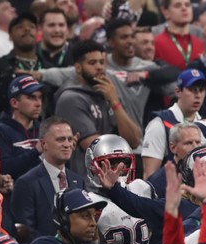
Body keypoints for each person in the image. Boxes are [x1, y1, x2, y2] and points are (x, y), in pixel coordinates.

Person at [53, 40, 142, 172]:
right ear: (78, 67)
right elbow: (96, 149)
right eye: (92, 63)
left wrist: (114, 102)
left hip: (112, 177)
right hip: (86, 181)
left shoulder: (108, 93)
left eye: (102, 62)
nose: (99, 67)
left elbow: (134, 140)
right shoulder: (70, 98)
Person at [9, 117, 83, 239]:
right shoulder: (26, 183)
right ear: (44, 144)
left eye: (70, 139)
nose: (67, 144)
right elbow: (26, 233)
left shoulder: (79, 181)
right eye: (60, 140)